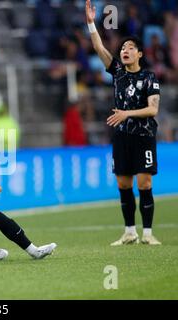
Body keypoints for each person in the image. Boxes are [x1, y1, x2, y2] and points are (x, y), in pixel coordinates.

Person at [85, 0, 161, 245]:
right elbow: (99, 49)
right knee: (123, 183)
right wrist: (90, 24)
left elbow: (153, 109)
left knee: (144, 181)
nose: (125, 50)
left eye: (131, 47)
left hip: (143, 135)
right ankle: (130, 231)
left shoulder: (149, 77)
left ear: (140, 53)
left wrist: (127, 114)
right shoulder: (117, 72)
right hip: (121, 137)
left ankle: (148, 233)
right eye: (123, 48)